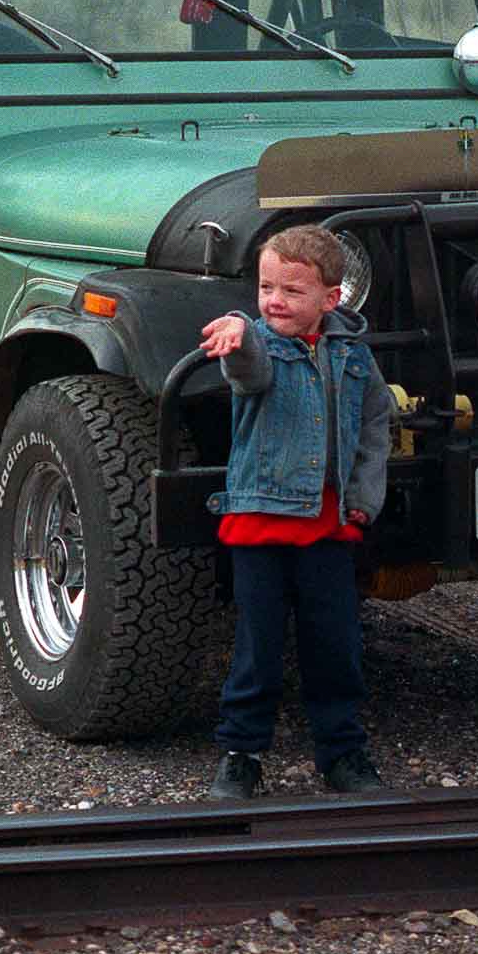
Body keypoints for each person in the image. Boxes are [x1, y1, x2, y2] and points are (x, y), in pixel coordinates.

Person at [200, 224, 395, 799]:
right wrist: (238, 330)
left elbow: (375, 425)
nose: (274, 301)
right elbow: (247, 370)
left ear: (332, 299)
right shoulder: (258, 346)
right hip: (259, 522)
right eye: (265, 289)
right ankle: (240, 753)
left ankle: (343, 752)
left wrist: (362, 502)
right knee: (257, 647)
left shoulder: (353, 355)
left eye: (291, 291)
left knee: (334, 642)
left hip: (329, 525)